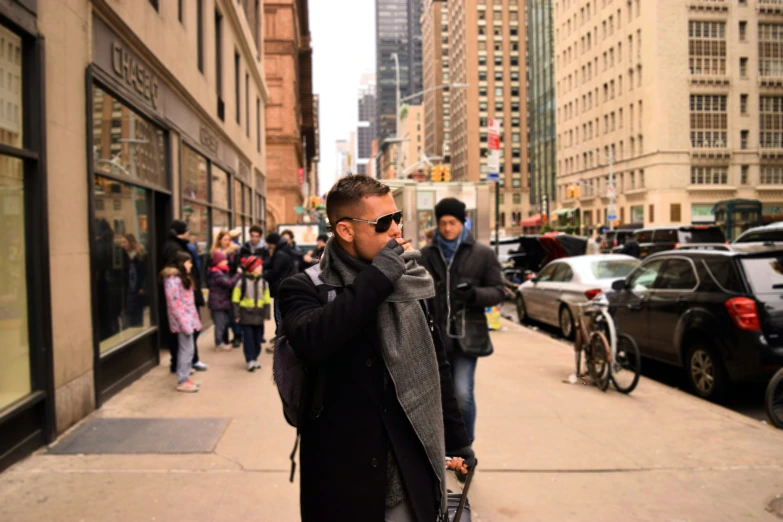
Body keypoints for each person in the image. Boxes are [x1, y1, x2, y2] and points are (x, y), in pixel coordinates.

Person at [279, 176, 474, 522]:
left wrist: (458, 441)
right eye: (384, 223)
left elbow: (436, 366)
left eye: (396, 218)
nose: (396, 230)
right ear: (346, 230)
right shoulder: (303, 288)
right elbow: (314, 341)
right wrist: (380, 276)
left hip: (408, 462)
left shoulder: (408, 282)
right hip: (342, 475)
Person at [420, 197, 505, 446]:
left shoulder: (482, 254)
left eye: (453, 222)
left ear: (462, 222)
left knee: (462, 394)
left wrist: (475, 295)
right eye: (443, 223)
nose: (447, 228)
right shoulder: (426, 255)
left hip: (467, 336)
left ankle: (464, 446)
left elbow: (499, 290)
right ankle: (440, 445)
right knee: (436, 397)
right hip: (434, 337)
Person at [162, 220, 208, 372]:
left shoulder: (180, 245)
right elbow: (175, 300)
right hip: (182, 310)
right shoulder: (173, 249)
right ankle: (181, 367)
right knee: (184, 340)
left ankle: (190, 362)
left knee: (189, 338)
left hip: (187, 302)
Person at [161, 251, 203, 393]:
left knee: (188, 350)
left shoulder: (181, 278)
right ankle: (182, 380)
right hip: (182, 322)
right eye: (188, 262)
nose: (191, 265)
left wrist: (193, 320)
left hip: (187, 320)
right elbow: (175, 304)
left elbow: (188, 303)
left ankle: (184, 377)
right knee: (186, 350)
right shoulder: (173, 280)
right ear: (182, 263)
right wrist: (185, 323)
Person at [232, 255, 271, 372]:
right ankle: (250, 359)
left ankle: (255, 356)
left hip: (259, 316)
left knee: (258, 338)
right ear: (252, 268)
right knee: (248, 339)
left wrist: (266, 314)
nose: (261, 268)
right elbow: (235, 299)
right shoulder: (242, 282)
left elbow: (266, 300)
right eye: (258, 266)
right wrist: (237, 315)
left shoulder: (264, 283)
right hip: (246, 315)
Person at [263, 232, 296, 343]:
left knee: (279, 314)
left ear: (273, 243)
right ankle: (280, 335)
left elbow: (274, 272)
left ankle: (281, 337)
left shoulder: (280, 254)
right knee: (280, 313)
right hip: (284, 287)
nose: (268, 246)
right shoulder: (283, 251)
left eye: (269, 244)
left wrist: (262, 273)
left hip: (281, 288)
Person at [211, 229, 242, 347]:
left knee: (234, 312)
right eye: (225, 239)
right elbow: (210, 269)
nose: (227, 242)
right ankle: (223, 339)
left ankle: (237, 336)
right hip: (221, 287)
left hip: (233, 284)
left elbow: (237, 267)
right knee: (222, 316)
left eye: (228, 239)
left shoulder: (234, 252)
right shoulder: (215, 253)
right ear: (219, 240)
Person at [120, 234, 148, 328]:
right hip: (129, 289)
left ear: (131, 242)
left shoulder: (140, 256)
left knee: (136, 315)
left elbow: (146, 272)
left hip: (137, 289)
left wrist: (143, 287)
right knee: (128, 313)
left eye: (124, 242)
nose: (122, 245)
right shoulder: (123, 257)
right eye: (121, 242)